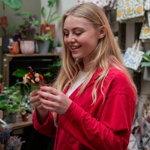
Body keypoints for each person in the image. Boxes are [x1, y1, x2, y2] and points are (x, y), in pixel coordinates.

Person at [30, 2, 136, 150]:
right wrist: (43, 110)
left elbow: (116, 145)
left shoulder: (117, 80)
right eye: (66, 33)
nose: (69, 39)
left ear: (101, 32)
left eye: (78, 32)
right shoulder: (73, 74)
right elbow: (58, 131)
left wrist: (69, 110)